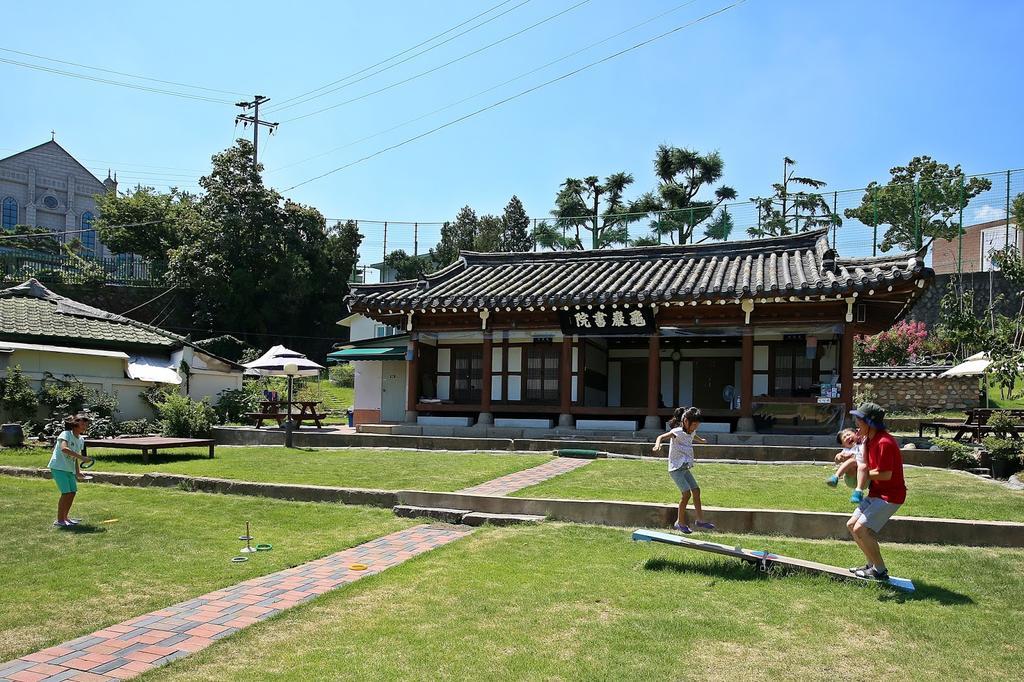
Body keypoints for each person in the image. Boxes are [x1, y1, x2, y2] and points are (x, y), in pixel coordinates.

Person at [845, 402, 906, 581]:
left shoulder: (884, 442)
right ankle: (871, 564)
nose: (856, 422)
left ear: (870, 422)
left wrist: (861, 476)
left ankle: (880, 570)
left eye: (859, 419)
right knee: (851, 525)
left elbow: (886, 474)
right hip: (876, 493)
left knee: (860, 528)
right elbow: (863, 462)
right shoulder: (869, 440)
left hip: (890, 496)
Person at [652, 407, 715, 534]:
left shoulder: (691, 431)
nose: (695, 428)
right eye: (694, 425)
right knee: (686, 494)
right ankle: (679, 522)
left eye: (697, 425)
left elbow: (693, 435)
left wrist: (701, 440)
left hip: (684, 467)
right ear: (685, 421)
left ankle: (700, 520)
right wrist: (657, 445)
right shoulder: (677, 432)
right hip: (676, 469)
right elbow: (661, 436)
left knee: (696, 490)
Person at [48, 414, 93, 528]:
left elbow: (74, 458)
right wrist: (82, 457)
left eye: (86, 424)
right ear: (74, 424)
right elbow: (64, 449)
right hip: (58, 467)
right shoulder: (66, 434)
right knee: (66, 493)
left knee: (72, 493)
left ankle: (66, 518)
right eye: (82, 424)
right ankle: (59, 520)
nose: (84, 426)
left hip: (69, 469)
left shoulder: (81, 439)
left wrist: (77, 472)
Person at [825, 428, 870, 503]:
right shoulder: (846, 450)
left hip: (864, 479)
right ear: (843, 444)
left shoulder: (862, 444)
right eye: (844, 438)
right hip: (850, 477)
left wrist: (864, 442)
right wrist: (838, 457)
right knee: (852, 461)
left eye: (849, 434)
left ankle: (858, 493)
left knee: (863, 466)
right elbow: (837, 460)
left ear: (856, 434)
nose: (847, 438)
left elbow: (865, 457)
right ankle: (835, 477)